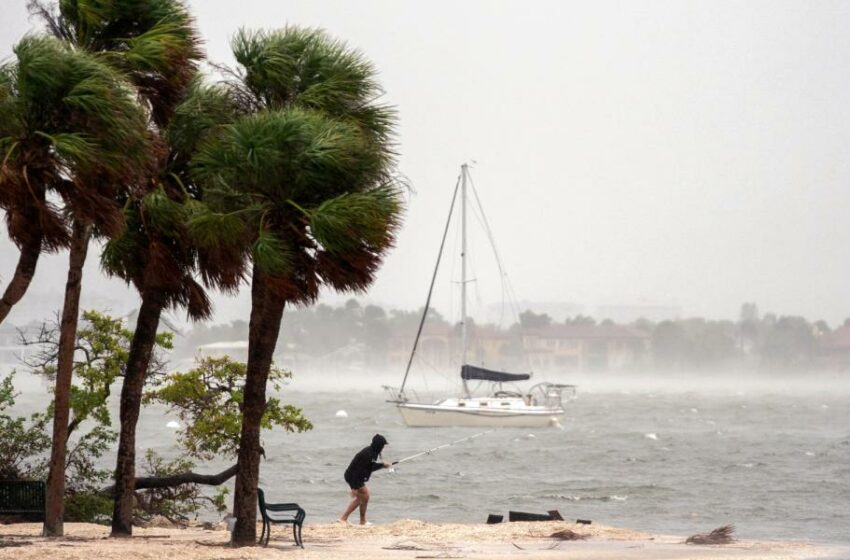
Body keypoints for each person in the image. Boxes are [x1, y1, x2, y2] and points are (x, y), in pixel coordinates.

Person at [339, 434, 390, 526]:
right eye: (382, 445)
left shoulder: (373, 452)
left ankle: (362, 521)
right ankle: (343, 518)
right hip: (353, 476)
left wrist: (382, 465)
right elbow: (357, 471)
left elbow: (370, 467)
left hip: (356, 476)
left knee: (365, 497)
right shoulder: (368, 454)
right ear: (378, 445)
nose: (383, 447)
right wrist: (353, 487)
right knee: (361, 498)